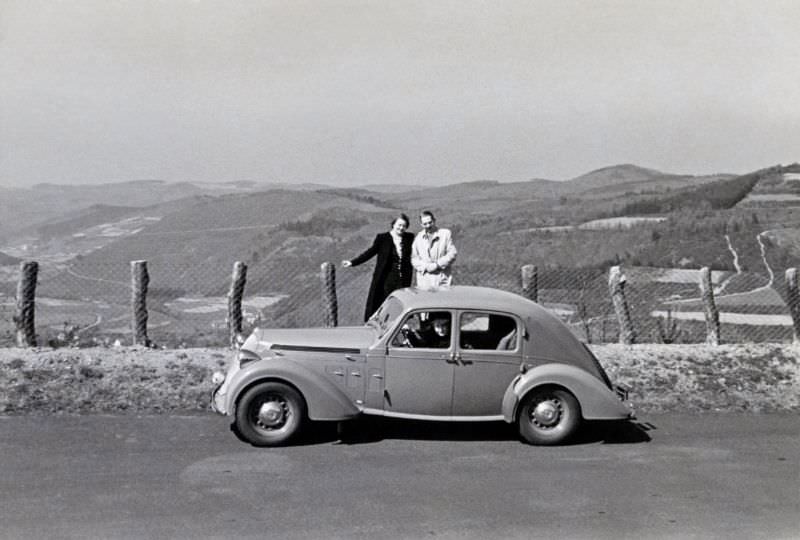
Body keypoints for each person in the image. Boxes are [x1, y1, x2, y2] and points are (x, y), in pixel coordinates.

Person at [342, 214, 415, 321]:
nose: (401, 228)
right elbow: (370, 252)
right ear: (393, 225)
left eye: (404, 226)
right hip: (385, 278)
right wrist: (352, 262)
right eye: (399, 225)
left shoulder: (409, 238)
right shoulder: (383, 238)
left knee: (400, 303)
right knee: (383, 302)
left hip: (402, 278)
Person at [411, 210, 457, 290]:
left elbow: (452, 253)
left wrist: (437, 264)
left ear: (434, 221)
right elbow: (414, 258)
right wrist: (426, 266)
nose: (428, 225)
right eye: (425, 224)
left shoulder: (445, 234)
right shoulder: (418, 238)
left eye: (430, 222)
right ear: (421, 224)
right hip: (424, 281)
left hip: (442, 279)